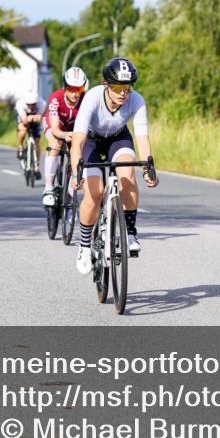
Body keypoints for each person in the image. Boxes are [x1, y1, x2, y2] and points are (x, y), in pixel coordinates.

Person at [69, 57, 158, 275]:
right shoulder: (91, 98)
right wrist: (75, 172)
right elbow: (77, 142)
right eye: (117, 87)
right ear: (106, 84)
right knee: (95, 191)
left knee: (127, 174)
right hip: (91, 141)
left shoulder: (136, 100)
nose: (123, 93)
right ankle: (84, 246)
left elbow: (142, 139)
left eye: (127, 88)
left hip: (118, 139)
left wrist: (149, 167)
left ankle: (129, 233)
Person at [41, 67, 88, 208]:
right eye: (71, 89)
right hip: (57, 125)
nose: (74, 93)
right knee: (55, 144)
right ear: (65, 87)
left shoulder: (86, 99)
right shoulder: (56, 98)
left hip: (75, 128)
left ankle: (70, 194)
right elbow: (55, 129)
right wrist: (63, 135)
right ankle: (48, 188)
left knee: (78, 151)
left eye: (78, 89)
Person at [15, 91, 47, 179]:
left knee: (37, 142)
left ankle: (37, 167)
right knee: (23, 130)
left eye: (33, 104)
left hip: (35, 118)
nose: (31, 106)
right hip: (23, 116)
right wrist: (30, 118)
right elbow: (24, 120)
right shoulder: (20, 104)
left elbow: (39, 119)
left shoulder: (42, 104)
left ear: (37, 102)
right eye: (29, 104)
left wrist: (35, 118)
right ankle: (21, 146)